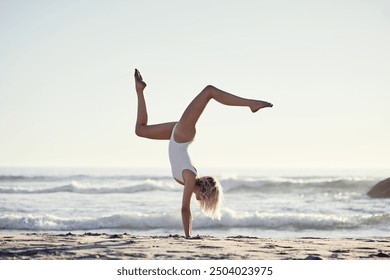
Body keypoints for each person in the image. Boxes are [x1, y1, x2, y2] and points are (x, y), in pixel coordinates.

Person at [133, 69, 272, 238]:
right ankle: (251, 103)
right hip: (181, 135)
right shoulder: (190, 178)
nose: (199, 201)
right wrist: (188, 237)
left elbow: (186, 206)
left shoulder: (190, 178)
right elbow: (185, 209)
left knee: (140, 130)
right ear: (205, 192)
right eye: (204, 199)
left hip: (177, 136)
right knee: (209, 91)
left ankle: (139, 90)